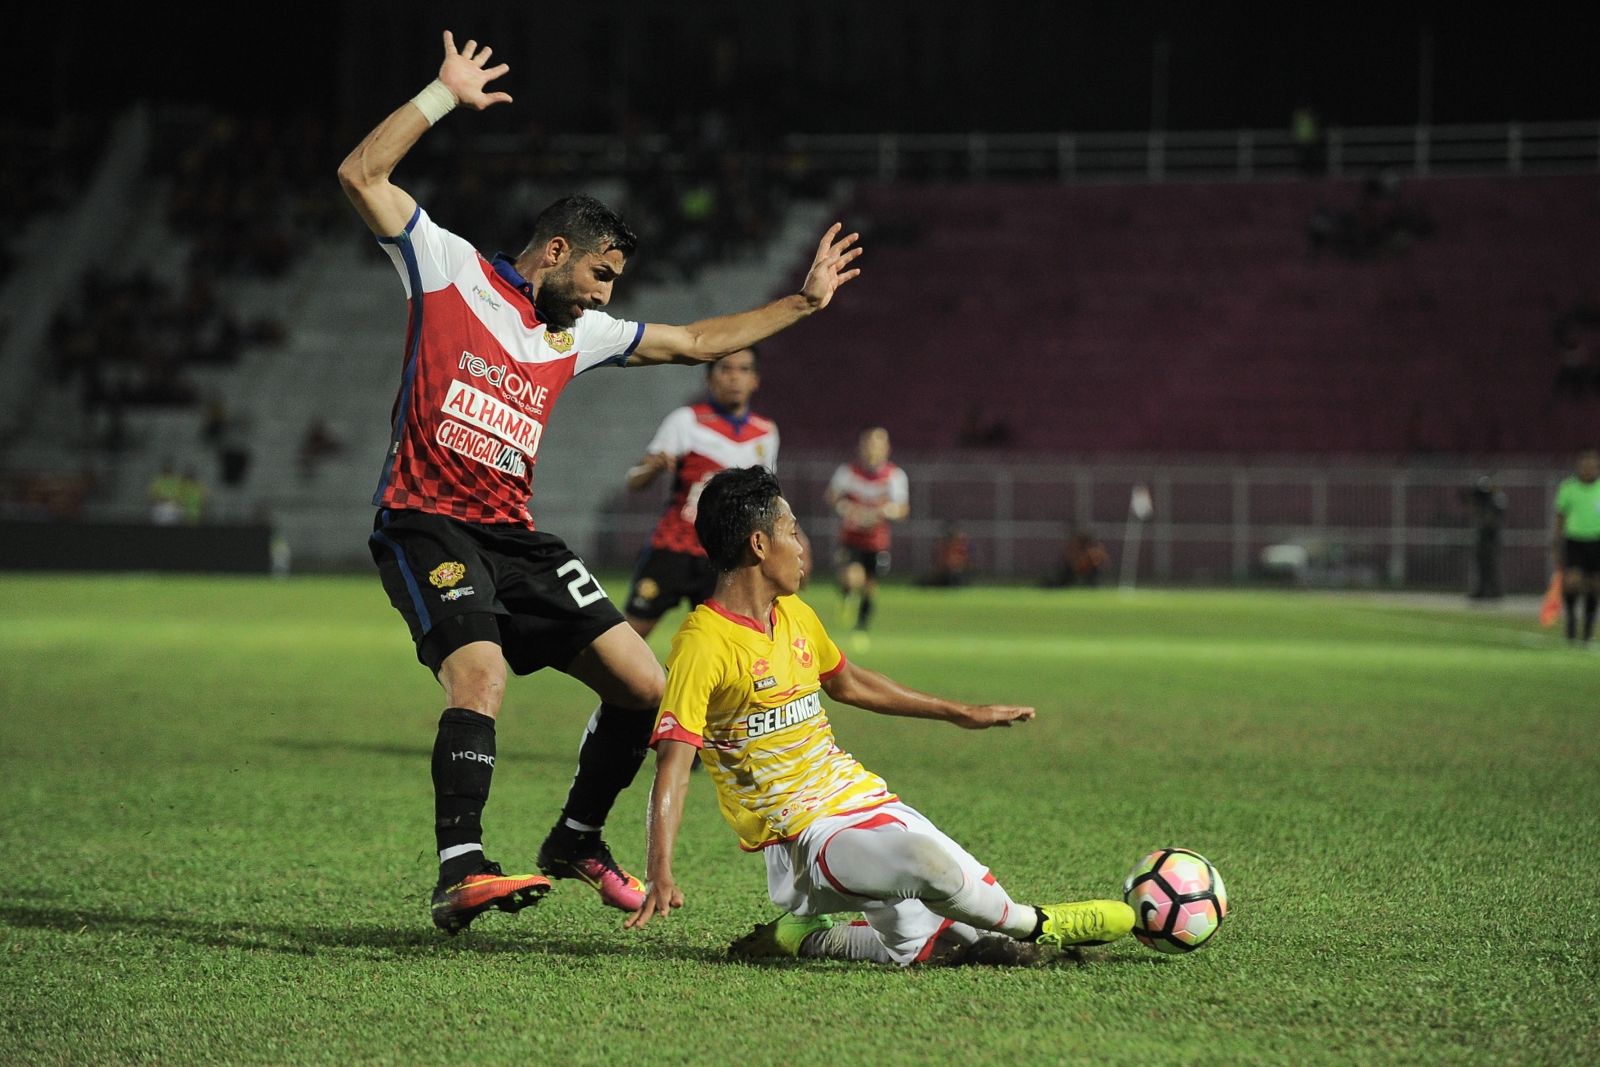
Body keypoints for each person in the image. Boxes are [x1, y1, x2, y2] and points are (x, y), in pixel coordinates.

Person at [337, 31, 862, 935]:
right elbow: (359, 175)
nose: (604, 295)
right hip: (427, 520)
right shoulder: (448, 267)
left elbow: (696, 340)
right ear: (552, 251)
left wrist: (803, 304)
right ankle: (461, 866)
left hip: (516, 535)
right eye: (599, 274)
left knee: (645, 685)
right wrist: (439, 95)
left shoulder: (578, 336)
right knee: (481, 674)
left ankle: (576, 837)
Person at [622, 467, 1134, 965]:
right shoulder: (702, 644)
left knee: (944, 937)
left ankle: (805, 939)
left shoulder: (793, 613)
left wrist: (959, 712)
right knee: (930, 868)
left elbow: (848, 681)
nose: (802, 546)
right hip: (803, 837)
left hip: (859, 796)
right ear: (759, 545)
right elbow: (673, 764)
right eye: (791, 531)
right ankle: (1041, 923)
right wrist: (659, 870)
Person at [622, 347, 777, 638]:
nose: (734, 378)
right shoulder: (686, 421)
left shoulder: (766, 432)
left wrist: (796, 537)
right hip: (674, 545)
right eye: (726, 369)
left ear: (755, 380)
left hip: (722, 555)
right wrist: (652, 468)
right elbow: (635, 480)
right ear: (709, 377)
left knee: (725, 642)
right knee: (631, 635)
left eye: (744, 370)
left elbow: (767, 498)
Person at [826, 427, 908, 639]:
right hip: (851, 537)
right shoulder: (848, 472)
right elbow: (832, 497)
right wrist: (847, 508)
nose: (873, 448)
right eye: (870, 443)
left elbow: (902, 509)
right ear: (861, 447)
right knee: (853, 577)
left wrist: (885, 511)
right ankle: (846, 596)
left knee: (870, 585)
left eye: (878, 443)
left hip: (877, 540)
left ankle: (861, 626)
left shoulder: (895, 476)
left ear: (887, 448)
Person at [1554, 448, 1600, 645]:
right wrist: (1557, 543)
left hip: (1597, 542)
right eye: (1584, 464)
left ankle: (1588, 633)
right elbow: (1560, 517)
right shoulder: (1568, 488)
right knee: (1572, 582)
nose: (1588, 468)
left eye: (1592, 464)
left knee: (1595, 585)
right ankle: (1571, 625)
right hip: (1574, 541)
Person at [1463, 476, 1507, 601]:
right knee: (1480, 564)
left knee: (1491, 565)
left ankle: (1495, 591)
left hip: (1491, 538)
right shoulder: (1482, 502)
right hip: (1482, 537)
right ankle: (1480, 590)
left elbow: (1495, 519)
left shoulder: (1497, 499)